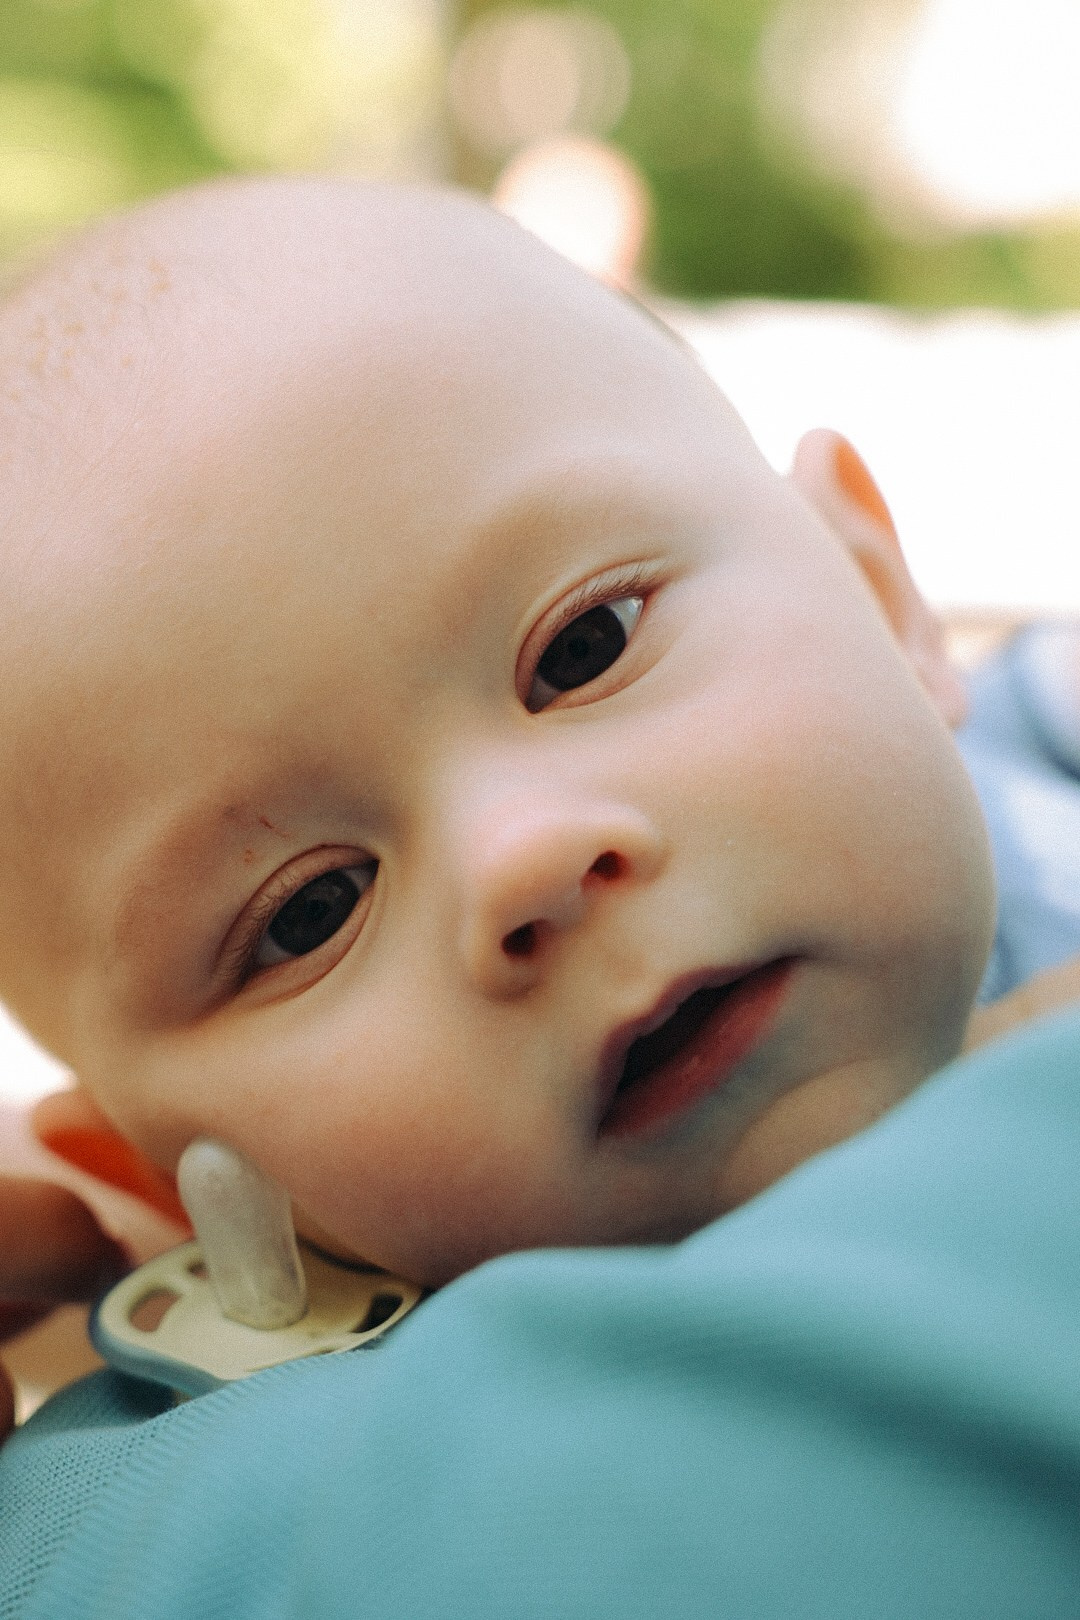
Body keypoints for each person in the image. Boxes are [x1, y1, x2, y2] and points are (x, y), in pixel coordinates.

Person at [3, 174, 1080, 1616]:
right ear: (171, 1190)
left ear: (877, 589)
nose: (526, 859)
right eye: (307, 915)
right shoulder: (248, 1497)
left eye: (585, 646)